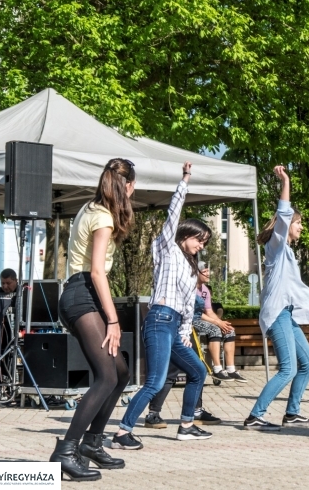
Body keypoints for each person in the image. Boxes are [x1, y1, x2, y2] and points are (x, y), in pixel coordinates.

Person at [114, 162, 213, 448]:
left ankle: (185, 425)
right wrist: (185, 180)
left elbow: (185, 304)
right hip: (158, 320)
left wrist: (183, 332)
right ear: (185, 235)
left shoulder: (188, 267)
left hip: (173, 327)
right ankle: (121, 433)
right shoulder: (166, 248)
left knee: (198, 371)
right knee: (155, 382)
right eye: (200, 240)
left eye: (205, 243)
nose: (201, 246)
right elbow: (173, 215)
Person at [49, 158, 136, 482]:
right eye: (133, 186)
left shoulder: (90, 208)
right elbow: (97, 271)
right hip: (82, 295)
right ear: (127, 187)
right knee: (106, 376)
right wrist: (113, 321)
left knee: (121, 373)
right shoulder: (102, 217)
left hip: (84, 294)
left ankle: (91, 443)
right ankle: (66, 452)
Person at [243, 165, 309, 431]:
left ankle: (292, 412)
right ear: (288, 225)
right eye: (299, 223)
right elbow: (283, 214)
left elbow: (293, 291)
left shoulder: (288, 254)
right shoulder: (277, 247)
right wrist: (286, 182)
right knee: (289, 368)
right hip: (276, 314)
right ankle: (255, 416)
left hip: (287, 313)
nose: (301, 227)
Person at [143, 263, 232, 430]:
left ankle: (195, 411)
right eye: (203, 269)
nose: (207, 272)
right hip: (173, 328)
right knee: (170, 372)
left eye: (207, 269)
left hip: (186, 330)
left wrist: (219, 323)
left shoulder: (202, 289)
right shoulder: (182, 282)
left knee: (196, 369)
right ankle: (153, 413)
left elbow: (205, 312)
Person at [193, 264, 246, 383]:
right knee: (215, 329)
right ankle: (217, 369)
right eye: (205, 271)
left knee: (229, 330)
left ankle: (231, 369)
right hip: (191, 319)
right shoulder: (189, 287)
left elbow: (209, 311)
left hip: (203, 317)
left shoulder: (205, 290)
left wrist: (222, 323)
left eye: (208, 271)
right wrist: (217, 322)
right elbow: (193, 312)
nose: (208, 274)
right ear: (196, 272)